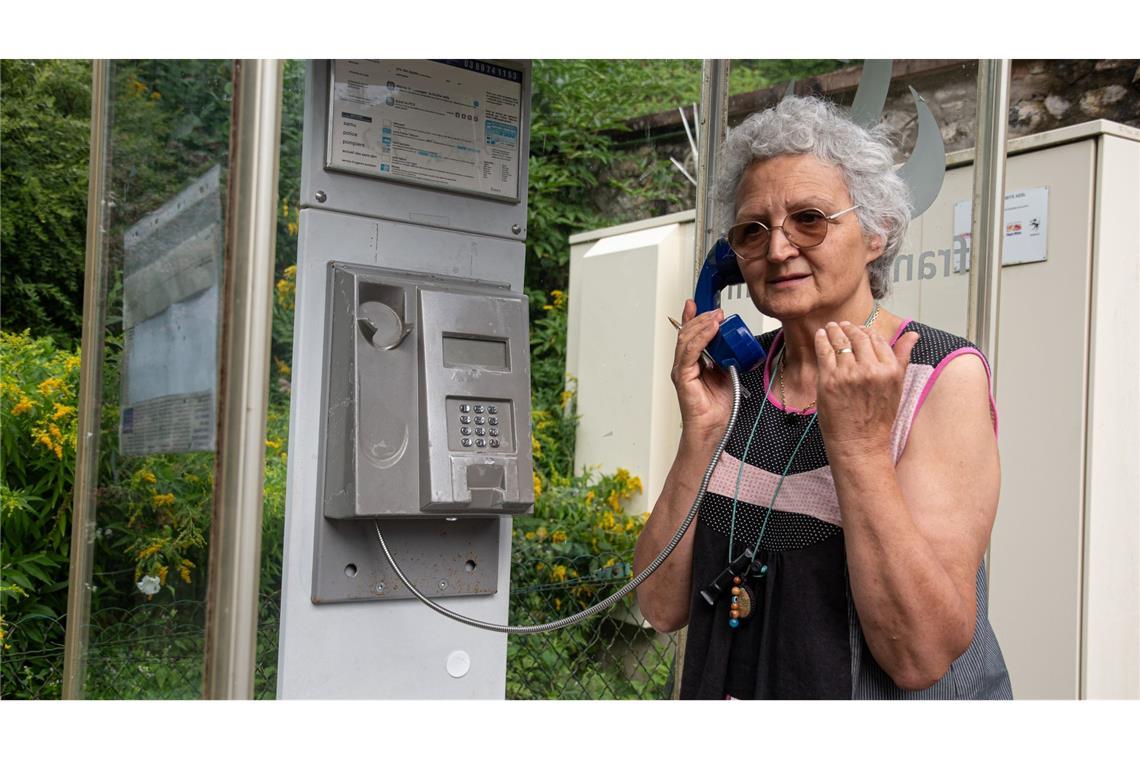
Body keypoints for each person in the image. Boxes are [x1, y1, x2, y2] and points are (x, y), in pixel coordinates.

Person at [633, 96, 1012, 699]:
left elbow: (920, 654)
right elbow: (659, 604)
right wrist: (699, 436)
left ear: (875, 232)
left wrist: (860, 450)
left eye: (810, 219)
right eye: (752, 232)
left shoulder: (939, 375)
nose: (779, 250)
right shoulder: (737, 380)